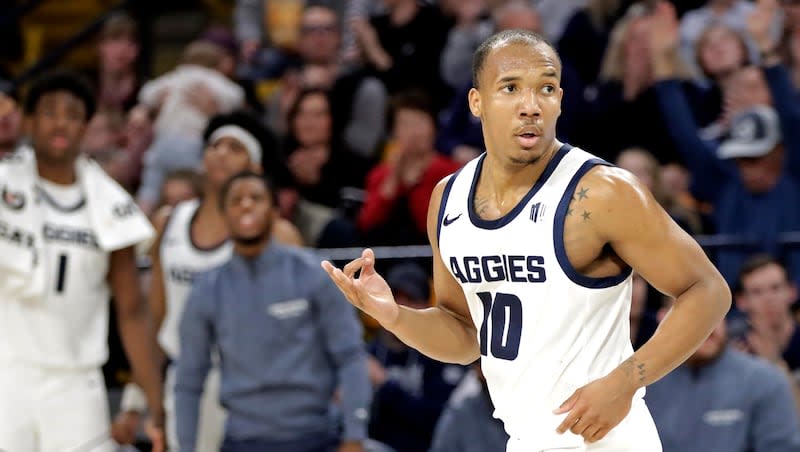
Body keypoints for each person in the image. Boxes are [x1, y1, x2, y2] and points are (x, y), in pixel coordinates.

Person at [322, 29, 731, 451]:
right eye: (511, 88)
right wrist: (394, 316)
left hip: (607, 441)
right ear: (476, 102)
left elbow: (708, 290)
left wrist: (625, 382)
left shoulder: (602, 193)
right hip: (523, 439)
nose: (531, 106)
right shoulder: (448, 199)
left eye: (546, 88)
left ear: (560, 100)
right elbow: (464, 336)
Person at [112, 111, 303, 451]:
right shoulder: (169, 222)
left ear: (255, 169)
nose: (222, 153)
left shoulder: (278, 234)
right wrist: (134, 401)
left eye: (235, 147)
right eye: (216, 145)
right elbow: (155, 319)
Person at [0, 70, 165, 451]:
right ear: (29, 121)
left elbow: (133, 311)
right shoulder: (5, 181)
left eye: (72, 114)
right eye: (49, 111)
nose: (61, 122)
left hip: (76, 383)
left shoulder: (112, 205)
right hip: (7, 373)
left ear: (86, 126)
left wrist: (155, 404)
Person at [175, 171, 371, 452]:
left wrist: (355, 435)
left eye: (256, 198)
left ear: (275, 210)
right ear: (223, 215)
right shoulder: (207, 289)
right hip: (243, 441)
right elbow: (188, 380)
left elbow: (350, 355)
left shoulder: (313, 273)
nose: (246, 205)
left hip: (316, 437)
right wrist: (185, 447)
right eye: (236, 200)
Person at [645, 316, 800, 452]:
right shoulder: (641, 386)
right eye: (693, 310)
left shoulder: (765, 381)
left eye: (715, 309)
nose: (706, 323)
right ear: (664, 317)